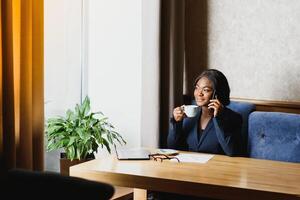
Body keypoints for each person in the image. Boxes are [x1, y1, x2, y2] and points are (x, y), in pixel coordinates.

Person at [168, 69, 242, 156]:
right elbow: (172, 148)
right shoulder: (189, 116)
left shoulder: (234, 118)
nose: (199, 93)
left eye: (205, 90)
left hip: (217, 167)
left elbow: (232, 152)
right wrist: (177, 123)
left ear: (217, 93)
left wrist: (218, 118)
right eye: (197, 88)